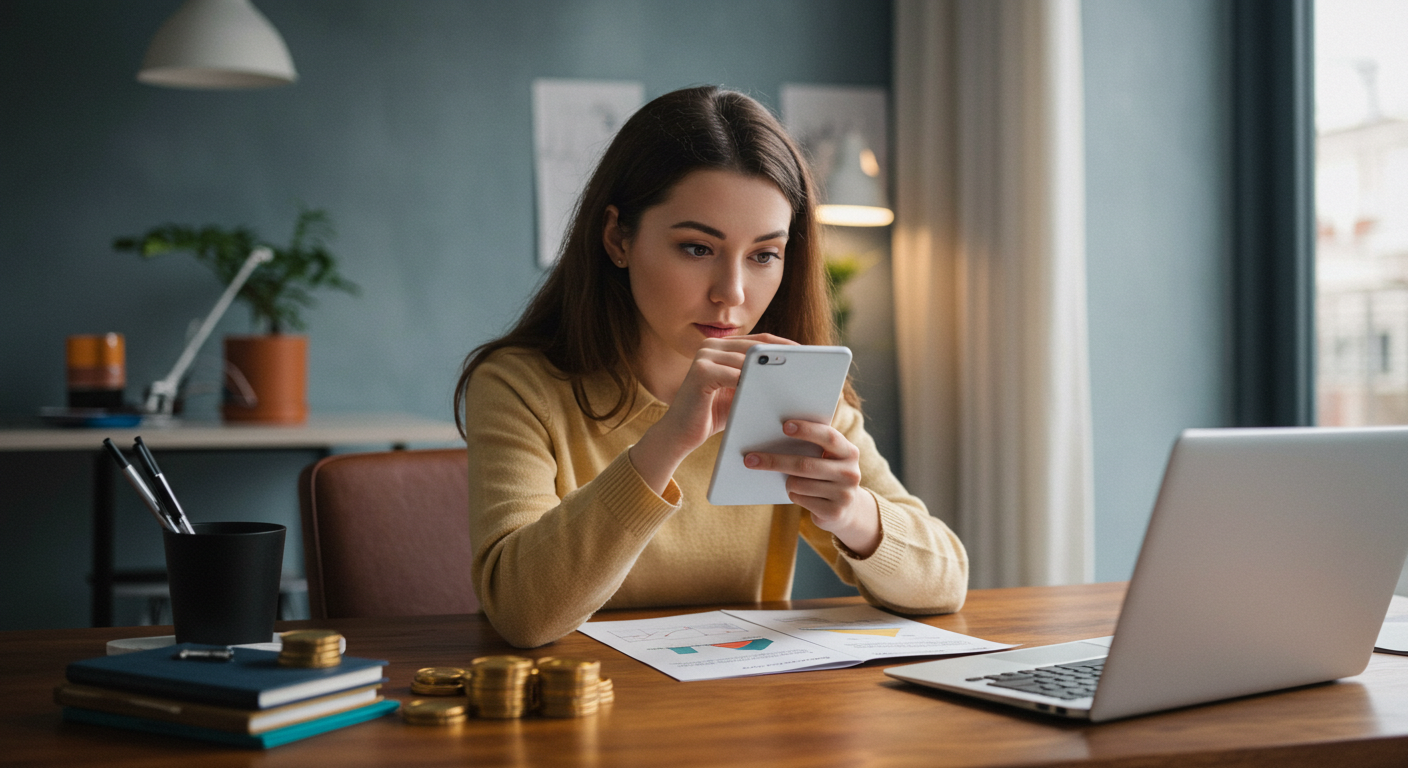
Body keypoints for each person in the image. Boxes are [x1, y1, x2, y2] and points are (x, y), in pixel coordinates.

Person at [454, 86, 967, 648]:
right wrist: (666, 442)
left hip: (736, 713)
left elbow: (946, 582)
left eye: (764, 254)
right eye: (698, 248)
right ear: (617, 238)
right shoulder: (519, 386)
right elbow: (522, 613)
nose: (732, 293)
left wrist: (854, 515)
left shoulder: (790, 390)